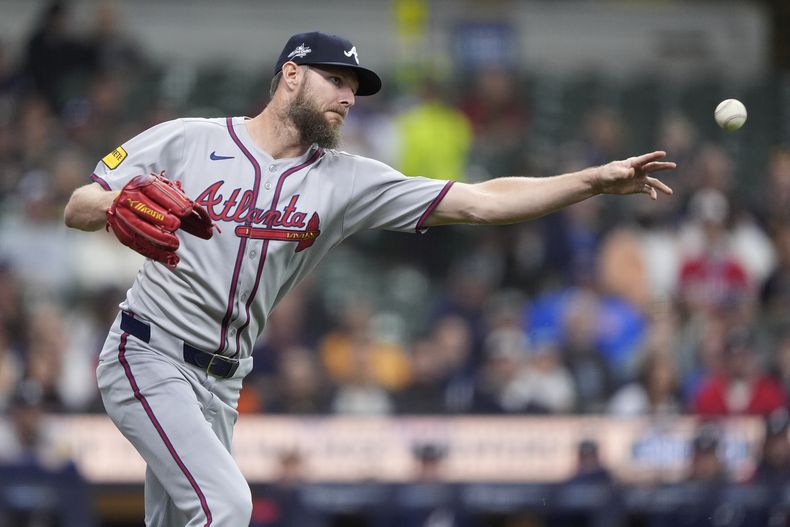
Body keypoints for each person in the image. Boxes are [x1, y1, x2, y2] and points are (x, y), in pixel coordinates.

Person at [62, 31, 675, 527]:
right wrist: (114, 206)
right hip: (147, 354)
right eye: (336, 79)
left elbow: (483, 201)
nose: (348, 97)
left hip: (222, 383)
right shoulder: (189, 139)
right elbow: (79, 203)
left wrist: (591, 182)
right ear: (291, 75)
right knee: (227, 506)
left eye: (354, 87)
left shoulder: (344, 179)